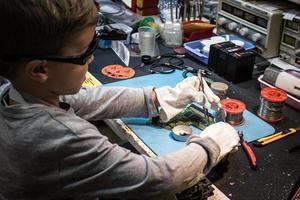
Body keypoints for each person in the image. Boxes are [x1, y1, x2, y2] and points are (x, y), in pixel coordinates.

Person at [0, 0, 240, 199]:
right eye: (85, 51)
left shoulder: (14, 93)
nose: (92, 58)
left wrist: (161, 98)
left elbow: (90, 100)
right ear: (39, 70)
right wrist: (212, 145)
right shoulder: (59, 137)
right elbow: (159, 179)